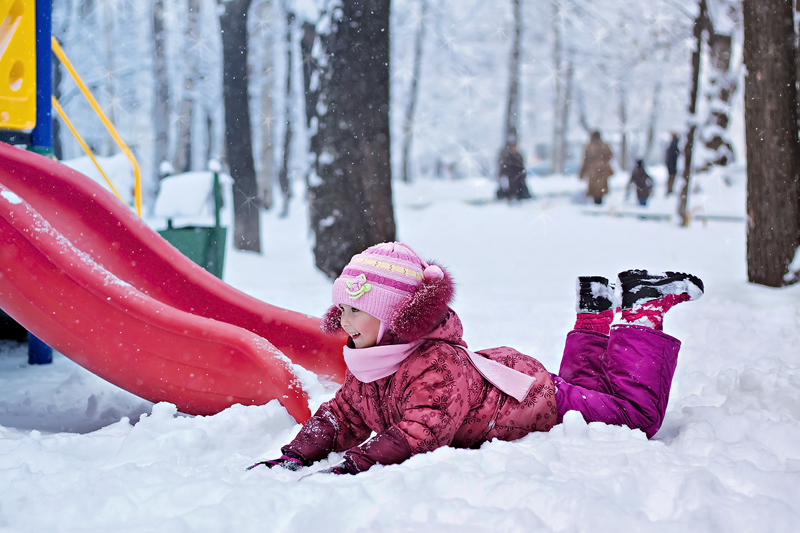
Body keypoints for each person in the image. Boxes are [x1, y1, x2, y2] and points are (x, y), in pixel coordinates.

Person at [249, 242, 704, 476]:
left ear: (393, 317)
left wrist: (357, 462)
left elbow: (422, 431)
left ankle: (644, 307)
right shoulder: (375, 361)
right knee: (595, 397)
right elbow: (344, 413)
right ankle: (595, 310)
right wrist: (299, 454)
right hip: (510, 381)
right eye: (342, 308)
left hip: (535, 400)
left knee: (633, 415)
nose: (342, 321)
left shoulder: (434, 366)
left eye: (354, 310)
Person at [579, 131, 614, 205]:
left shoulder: (589, 147)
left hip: (593, 172)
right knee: (600, 190)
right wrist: (603, 161)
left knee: (594, 190)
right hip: (602, 171)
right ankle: (598, 203)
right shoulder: (604, 145)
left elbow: (585, 160)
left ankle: (596, 205)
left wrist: (581, 173)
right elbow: (610, 156)